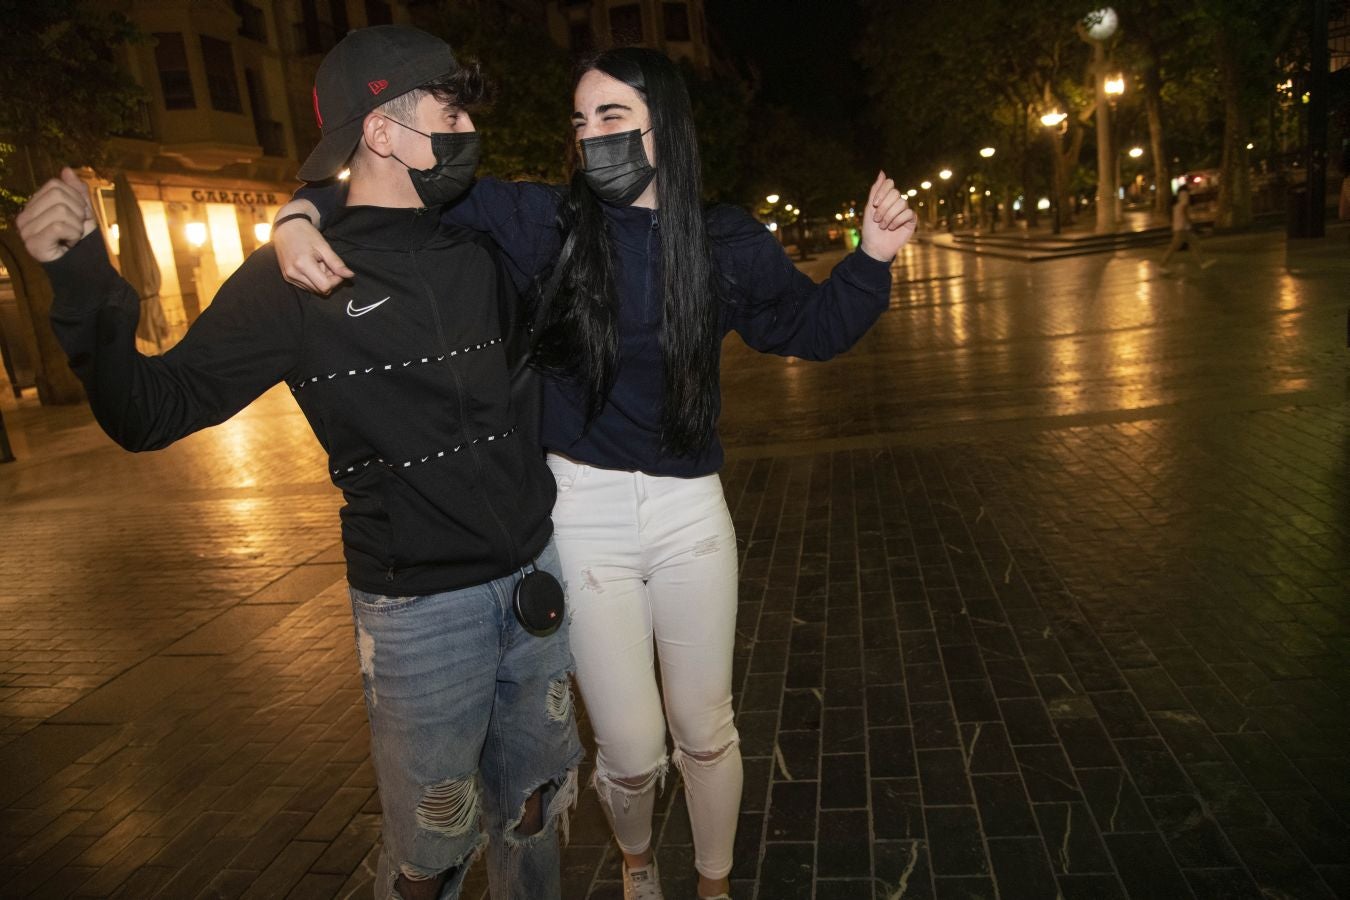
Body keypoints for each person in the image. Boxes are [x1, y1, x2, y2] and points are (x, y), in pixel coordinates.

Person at [272, 47, 916, 900]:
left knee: (706, 730)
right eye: (581, 122)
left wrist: (870, 260)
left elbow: (810, 325)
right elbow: (394, 178)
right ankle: (638, 862)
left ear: (666, 127)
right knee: (633, 749)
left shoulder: (722, 239)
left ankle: (715, 885)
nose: (591, 137)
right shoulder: (546, 224)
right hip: (583, 516)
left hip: (691, 515)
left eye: (612, 117)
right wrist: (297, 213)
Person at [14, 25, 581, 900]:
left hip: (534, 582)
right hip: (420, 615)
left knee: (536, 807)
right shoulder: (298, 276)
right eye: (451, 109)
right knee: (432, 854)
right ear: (384, 131)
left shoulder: (487, 240)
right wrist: (84, 279)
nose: (470, 128)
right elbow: (150, 410)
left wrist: (299, 202)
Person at [1160, 184, 1215, 272]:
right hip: (1182, 228)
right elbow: (1184, 211)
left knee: (1194, 243)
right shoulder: (1184, 198)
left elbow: (1176, 214)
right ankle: (1162, 265)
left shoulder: (1177, 202)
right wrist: (1189, 221)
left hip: (1181, 227)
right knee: (1174, 247)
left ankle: (1202, 262)